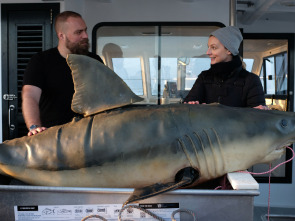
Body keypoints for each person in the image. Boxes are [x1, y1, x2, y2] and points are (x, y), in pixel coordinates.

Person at [22, 11, 104, 136]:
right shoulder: (41, 61)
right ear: (62, 36)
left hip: (89, 136)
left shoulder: (95, 60)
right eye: (78, 32)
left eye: (85, 30)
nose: (85, 36)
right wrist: (34, 127)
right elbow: (30, 96)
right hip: (53, 138)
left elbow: (104, 97)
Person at [183, 26, 268, 110]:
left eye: (213, 47)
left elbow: (256, 119)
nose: (208, 52)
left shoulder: (251, 80)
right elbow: (188, 106)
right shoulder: (204, 77)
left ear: (229, 50)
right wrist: (190, 105)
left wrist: (260, 112)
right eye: (208, 47)